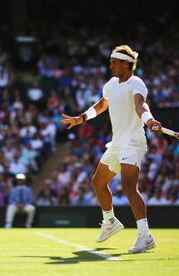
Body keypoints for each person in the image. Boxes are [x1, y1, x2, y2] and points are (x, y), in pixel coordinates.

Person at [61, 45, 162, 254]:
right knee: (98, 181)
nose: (111, 66)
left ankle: (145, 236)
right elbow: (101, 105)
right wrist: (81, 118)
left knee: (128, 186)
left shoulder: (137, 84)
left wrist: (149, 119)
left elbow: (140, 105)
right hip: (117, 143)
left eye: (114, 62)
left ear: (126, 63)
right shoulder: (112, 84)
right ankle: (110, 221)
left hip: (133, 142)